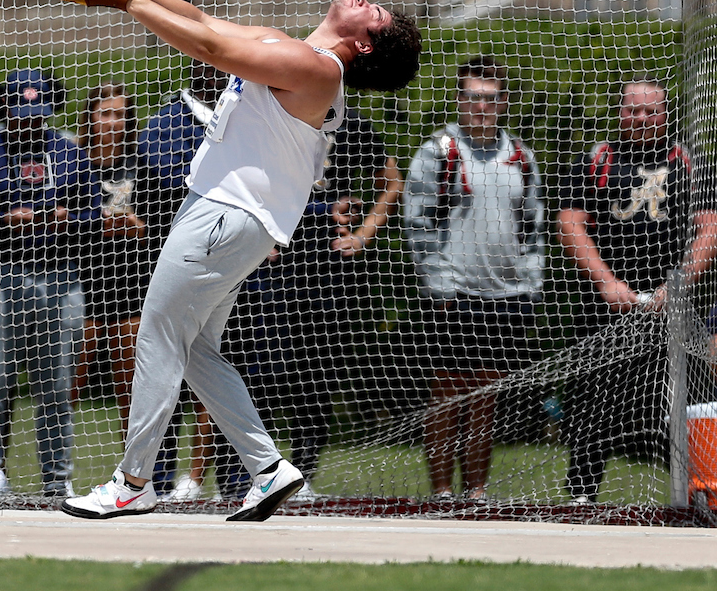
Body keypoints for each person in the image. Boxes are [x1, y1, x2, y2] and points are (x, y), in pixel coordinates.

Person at [57, 0, 422, 521]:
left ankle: (133, 481)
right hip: (229, 217)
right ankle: (269, 468)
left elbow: (208, 48)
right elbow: (205, 21)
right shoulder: (294, 49)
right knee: (196, 346)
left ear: (364, 45)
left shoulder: (315, 67)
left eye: (375, 13)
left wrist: (130, 1)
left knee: (156, 330)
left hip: (227, 215)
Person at [209, 107, 403, 502]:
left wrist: (362, 235)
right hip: (271, 261)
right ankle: (235, 476)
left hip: (327, 267)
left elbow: (392, 182)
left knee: (315, 376)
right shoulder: (272, 116)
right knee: (255, 369)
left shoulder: (354, 125)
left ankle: (302, 475)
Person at [557, 77, 717, 503]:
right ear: (619, 112)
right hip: (604, 309)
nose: (642, 118)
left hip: (673, 310)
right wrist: (607, 282)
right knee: (592, 403)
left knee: (690, 402)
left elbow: (710, 228)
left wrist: (678, 286)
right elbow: (570, 224)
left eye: (651, 111)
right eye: (633, 110)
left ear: (666, 115)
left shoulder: (691, 163)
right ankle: (581, 497)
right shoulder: (594, 160)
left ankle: (701, 492)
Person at [0, 68, 101, 497]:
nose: (30, 122)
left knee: (56, 388)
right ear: (4, 110)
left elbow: (95, 216)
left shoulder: (71, 151)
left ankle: (58, 481)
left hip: (60, 279)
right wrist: (1, 221)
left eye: (38, 113)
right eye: (21, 114)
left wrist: (67, 218)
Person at [403, 56, 546, 500]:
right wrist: (438, 283)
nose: (479, 107)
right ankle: (443, 491)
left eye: (489, 99)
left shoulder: (521, 155)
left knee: (486, 399)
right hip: (453, 292)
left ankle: (477, 492)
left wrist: (531, 279)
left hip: (505, 294)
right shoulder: (438, 150)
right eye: (471, 98)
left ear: (503, 103)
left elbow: (534, 225)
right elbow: (417, 221)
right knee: (447, 396)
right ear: (459, 100)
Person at [136, 58, 228, 499]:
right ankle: (151, 476)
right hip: (174, 258)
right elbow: (163, 178)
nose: (214, 72)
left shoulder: (240, 109)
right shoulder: (165, 121)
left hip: (227, 261)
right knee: (166, 362)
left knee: (212, 364)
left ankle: (214, 479)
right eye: (205, 64)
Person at [73, 81, 149, 428]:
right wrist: (92, 222)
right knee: (68, 385)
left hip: (129, 283)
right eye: (105, 113)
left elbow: (158, 221)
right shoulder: (71, 158)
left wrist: (137, 226)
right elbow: (57, 217)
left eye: (120, 114)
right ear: (90, 117)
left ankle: (132, 478)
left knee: (131, 390)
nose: (113, 122)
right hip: (79, 283)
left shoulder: (140, 162)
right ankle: (57, 478)